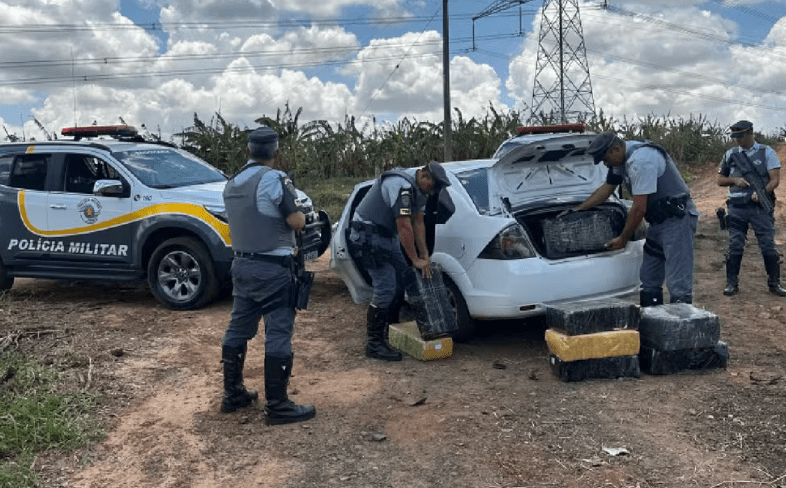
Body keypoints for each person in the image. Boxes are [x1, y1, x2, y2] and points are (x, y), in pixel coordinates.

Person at [220, 125, 315, 425]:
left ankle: (233, 394)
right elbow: (298, 220)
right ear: (277, 152)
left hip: (242, 266)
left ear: (248, 151)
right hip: (273, 270)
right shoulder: (275, 179)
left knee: (238, 329)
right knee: (278, 332)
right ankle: (278, 405)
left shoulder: (231, 183)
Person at [562, 132, 699, 306]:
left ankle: (683, 327)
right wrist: (578, 209)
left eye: (605, 158)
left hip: (677, 220)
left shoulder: (641, 161)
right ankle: (653, 322)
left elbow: (638, 208)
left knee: (678, 282)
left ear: (616, 149)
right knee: (649, 278)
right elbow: (607, 188)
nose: (605, 163)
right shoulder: (622, 158)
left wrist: (623, 238)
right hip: (658, 222)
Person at [348, 162, 451, 361]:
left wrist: (424, 255)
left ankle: (391, 328)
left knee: (405, 277)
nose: (432, 193)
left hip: (387, 236)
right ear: (423, 176)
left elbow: (418, 222)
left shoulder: (420, 190)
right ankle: (374, 344)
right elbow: (404, 224)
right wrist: (414, 258)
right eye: (432, 187)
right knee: (385, 287)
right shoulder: (399, 185)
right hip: (368, 235)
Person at [717, 120, 786, 297]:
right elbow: (720, 180)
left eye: (740, 136)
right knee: (735, 245)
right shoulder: (730, 154)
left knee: (768, 246)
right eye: (735, 137)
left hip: (760, 207)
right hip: (736, 207)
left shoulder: (767, 152)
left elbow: (775, 180)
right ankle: (731, 283)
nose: (737, 140)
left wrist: (762, 192)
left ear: (750, 134)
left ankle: (774, 283)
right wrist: (735, 181)